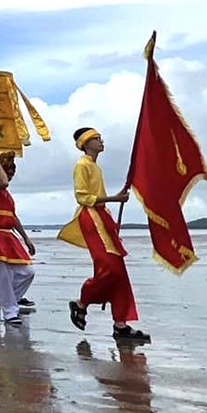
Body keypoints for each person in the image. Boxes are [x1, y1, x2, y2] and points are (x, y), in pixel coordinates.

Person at [60, 128, 148, 343]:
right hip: (91, 217)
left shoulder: (95, 166)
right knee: (109, 269)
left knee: (119, 271)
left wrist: (112, 201)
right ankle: (82, 301)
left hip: (102, 216)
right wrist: (114, 198)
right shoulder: (81, 165)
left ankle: (121, 324)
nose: (101, 142)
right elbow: (82, 197)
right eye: (97, 139)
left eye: (100, 138)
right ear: (86, 143)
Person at [0, 155, 35, 326]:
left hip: (8, 235)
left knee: (27, 272)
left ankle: (10, 302)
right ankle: (10, 312)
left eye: (12, 172)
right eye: (8, 171)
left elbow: (12, 217)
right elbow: (2, 182)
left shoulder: (6, 194)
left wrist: (26, 238)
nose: (10, 175)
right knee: (2, 277)